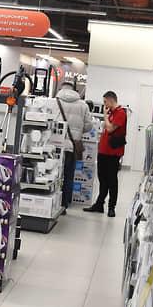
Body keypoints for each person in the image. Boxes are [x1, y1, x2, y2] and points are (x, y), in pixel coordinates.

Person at [84, 90, 127, 217]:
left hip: (113, 153)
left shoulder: (120, 113)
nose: (104, 104)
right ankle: (99, 204)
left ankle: (111, 207)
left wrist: (105, 116)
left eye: (105, 102)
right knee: (102, 179)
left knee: (112, 180)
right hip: (103, 151)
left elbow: (110, 128)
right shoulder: (111, 113)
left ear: (111, 100)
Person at [55, 81, 93, 213]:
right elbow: (89, 126)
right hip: (72, 145)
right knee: (69, 175)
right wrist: (79, 131)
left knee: (55, 175)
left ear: (62, 88)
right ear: (74, 89)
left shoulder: (55, 102)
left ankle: (54, 203)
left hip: (55, 145)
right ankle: (65, 204)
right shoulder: (83, 105)